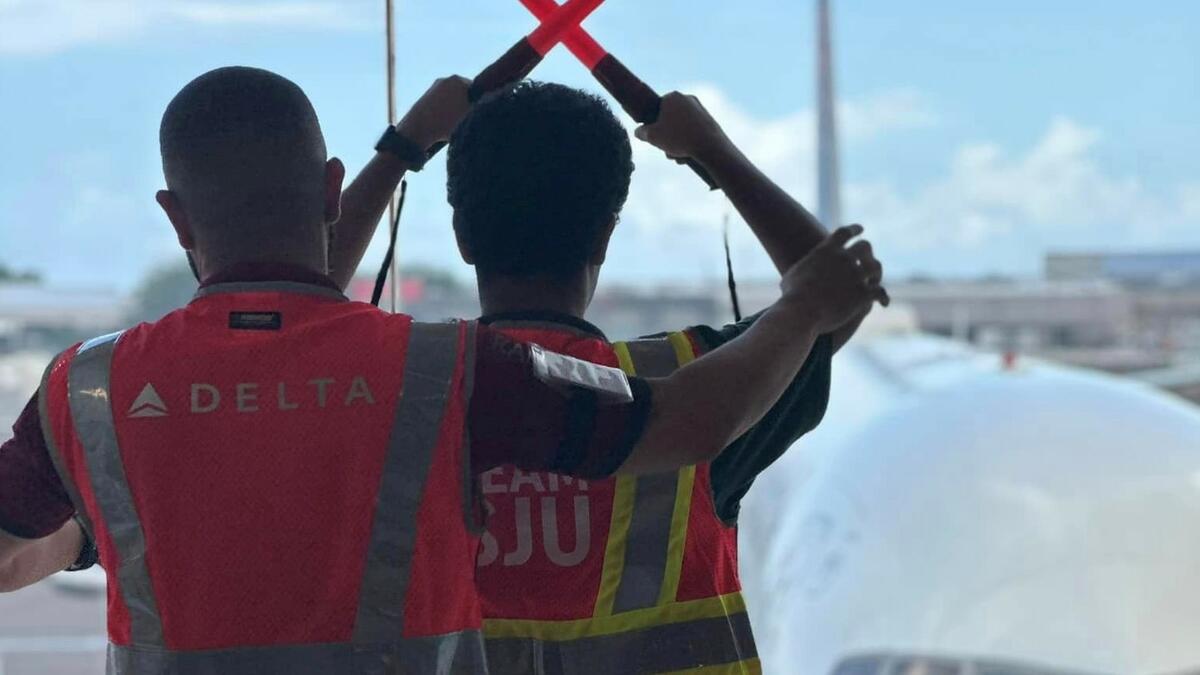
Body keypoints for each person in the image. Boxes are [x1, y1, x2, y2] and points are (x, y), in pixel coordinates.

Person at [0, 68, 882, 675]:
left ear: (174, 216)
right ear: (330, 191)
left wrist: (402, 148)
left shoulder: (92, 391)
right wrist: (789, 278)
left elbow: (281, 311)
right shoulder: (444, 376)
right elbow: (705, 401)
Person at [330, 81, 886, 673]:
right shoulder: (704, 382)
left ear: (463, 238)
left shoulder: (396, 391)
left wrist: (403, 147)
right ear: (605, 235)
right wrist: (713, 151)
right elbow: (832, 303)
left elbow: (287, 312)